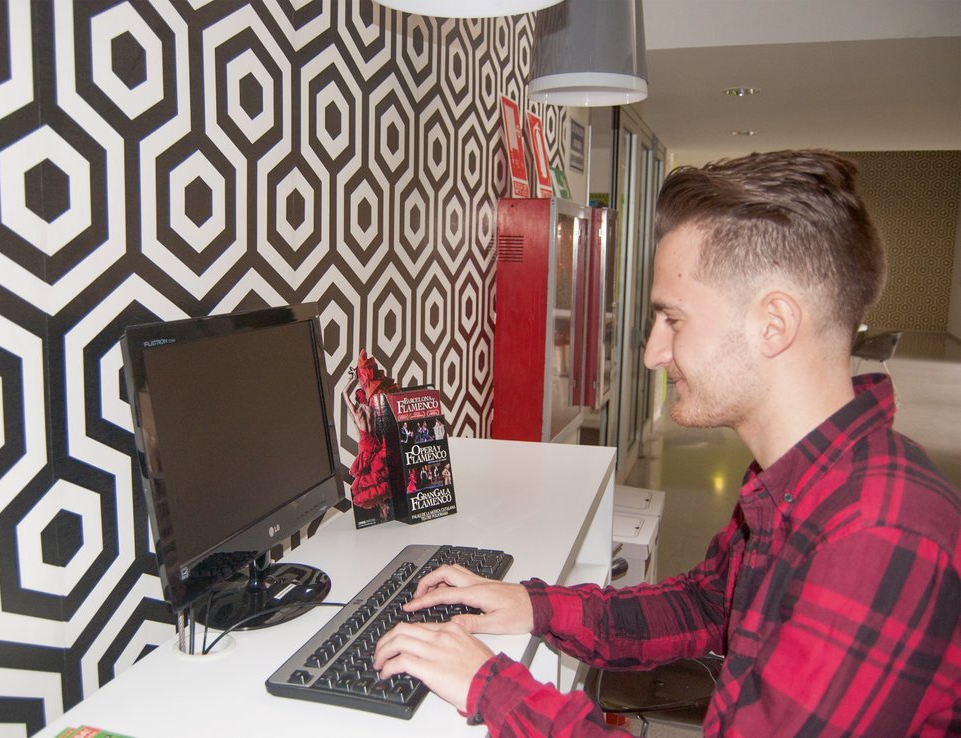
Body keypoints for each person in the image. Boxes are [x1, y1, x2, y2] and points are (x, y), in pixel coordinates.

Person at [373, 150, 961, 736]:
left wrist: (493, 688)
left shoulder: (877, 534)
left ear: (774, 323)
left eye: (673, 320)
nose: (654, 352)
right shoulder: (797, 481)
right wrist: (534, 606)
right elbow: (707, 605)